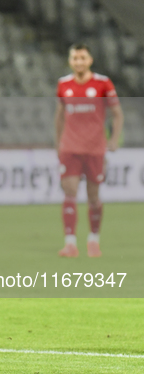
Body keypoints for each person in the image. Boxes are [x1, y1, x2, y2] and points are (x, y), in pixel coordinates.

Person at [55, 43, 123, 258]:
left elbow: (117, 114)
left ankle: (93, 240)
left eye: (83, 58)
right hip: (71, 147)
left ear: (90, 60)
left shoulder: (102, 83)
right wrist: (59, 144)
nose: (79, 62)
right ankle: (70, 244)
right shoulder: (64, 85)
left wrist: (113, 140)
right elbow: (59, 116)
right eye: (75, 58)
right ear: (70, 61)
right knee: (70, 192)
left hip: (95, 148)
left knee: (93, 196)